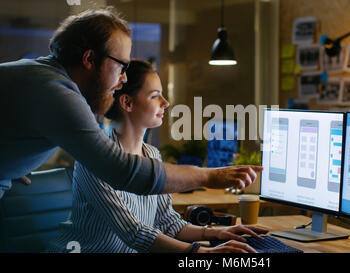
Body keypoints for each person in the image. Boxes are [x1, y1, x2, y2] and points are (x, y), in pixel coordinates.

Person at [0, 7, 262, 199]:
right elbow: (121, 171)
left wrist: (13, 164)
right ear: (90, 59)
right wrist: (209, 176)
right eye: (121, 66)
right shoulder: (56, 92)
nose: (123, 78)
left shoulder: (43, 79)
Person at [46, 60, 268, 253]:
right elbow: (134, 232)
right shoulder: (95, 160)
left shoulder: (152, 155)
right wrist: (204, 253)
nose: (166, 102)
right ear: (127, 103)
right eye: (155, 96)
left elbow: (168, 223)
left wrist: (218, 233)